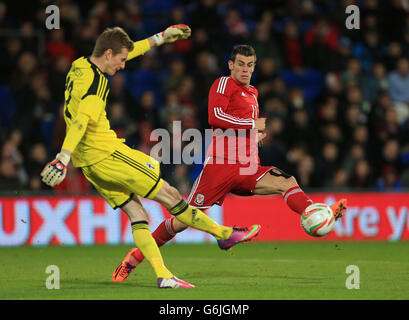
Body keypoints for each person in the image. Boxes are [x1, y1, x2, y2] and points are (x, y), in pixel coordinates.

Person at [41, 28, 261, 289]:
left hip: (89, 164)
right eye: (122, 60)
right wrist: (61, 158)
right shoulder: (96, 84)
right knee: (170, 195)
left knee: (137, 213)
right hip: (108, 154)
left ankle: (163, 275)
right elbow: (80, 122)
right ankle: (224, 234)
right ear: (108, 54)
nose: (124, 65)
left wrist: (161, 37)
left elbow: (128, 50)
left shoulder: (79, 65)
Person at [112, 44, 348, 282]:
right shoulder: (223, 84)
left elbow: (240, 124)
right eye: (241, 64)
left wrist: (253, 136)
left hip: (248, 168)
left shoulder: (253, 92)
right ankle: (135, 258)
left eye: (250, 65)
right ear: (231, 65)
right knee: (184, 219)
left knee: (287, 181)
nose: (246, 69)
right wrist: (251, 125)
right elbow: (216, 117)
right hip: (221, 166)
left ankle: (317, 214)